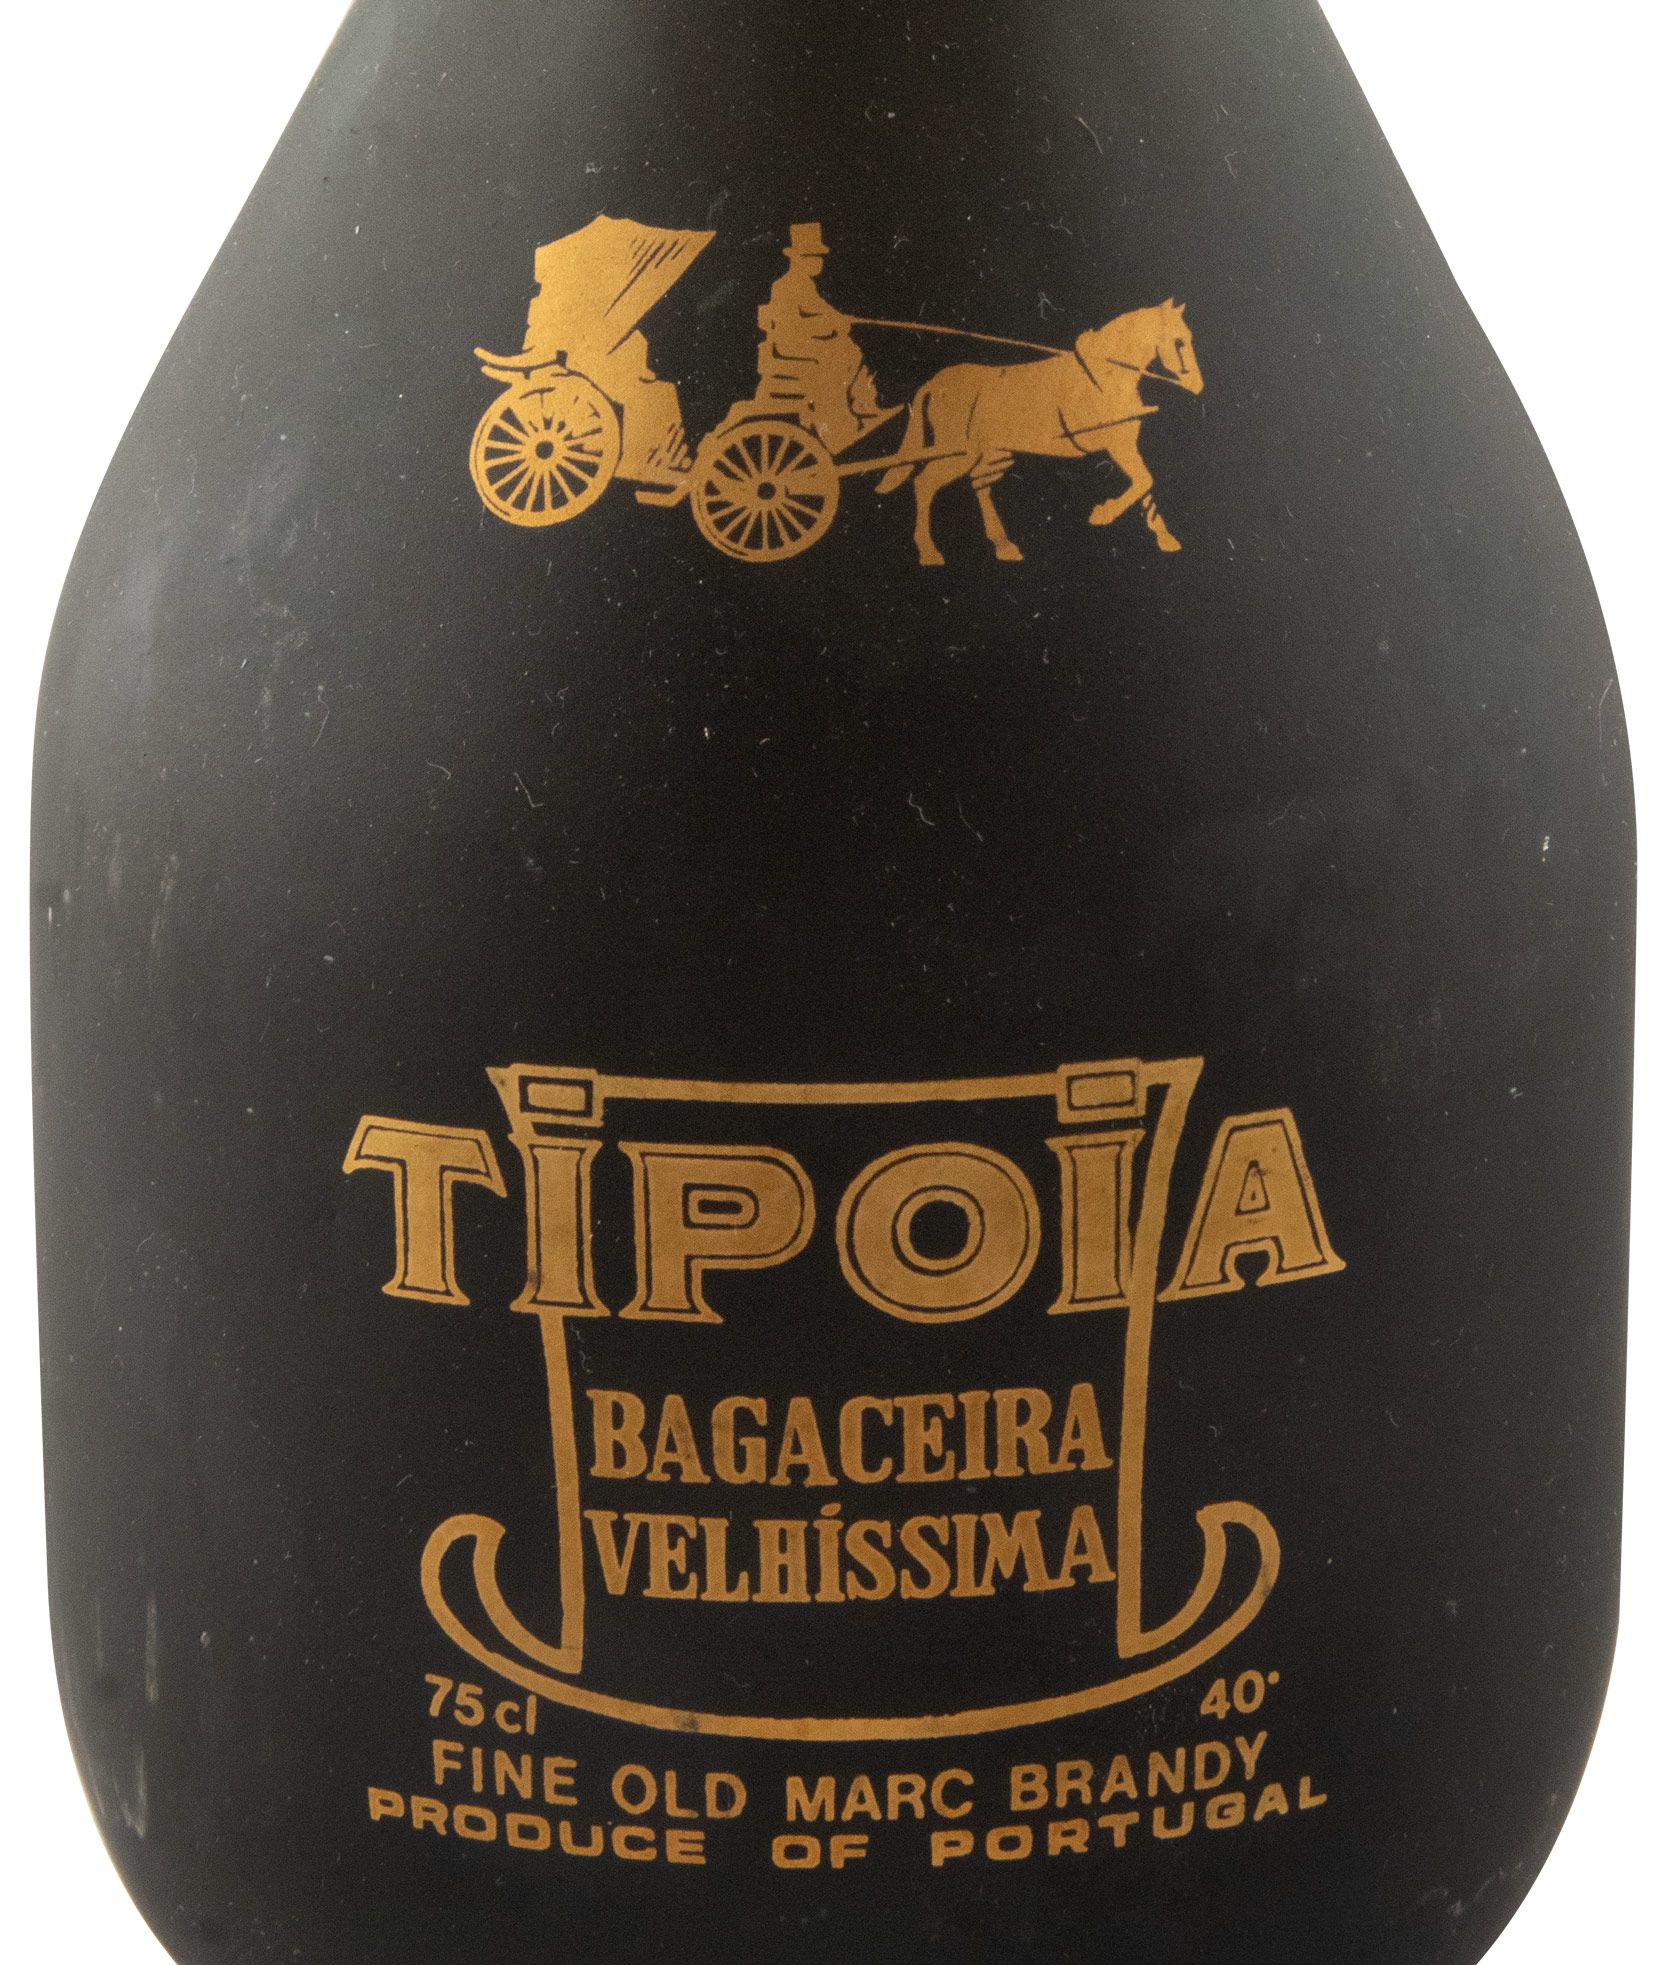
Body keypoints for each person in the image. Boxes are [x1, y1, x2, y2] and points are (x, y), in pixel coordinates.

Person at [756, 223, 882, 453]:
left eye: (819, 258)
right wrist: (832, 325)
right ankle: (839, 423)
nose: (818, 263)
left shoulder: (807, 287)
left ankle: (861, 407)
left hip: (806, 348)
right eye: (812, 257)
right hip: (792, 349)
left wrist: (839, 320)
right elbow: (793, 324)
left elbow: (826, 313)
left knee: (851, 352)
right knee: (842, 358)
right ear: (797, 259)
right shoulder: (784, 286)